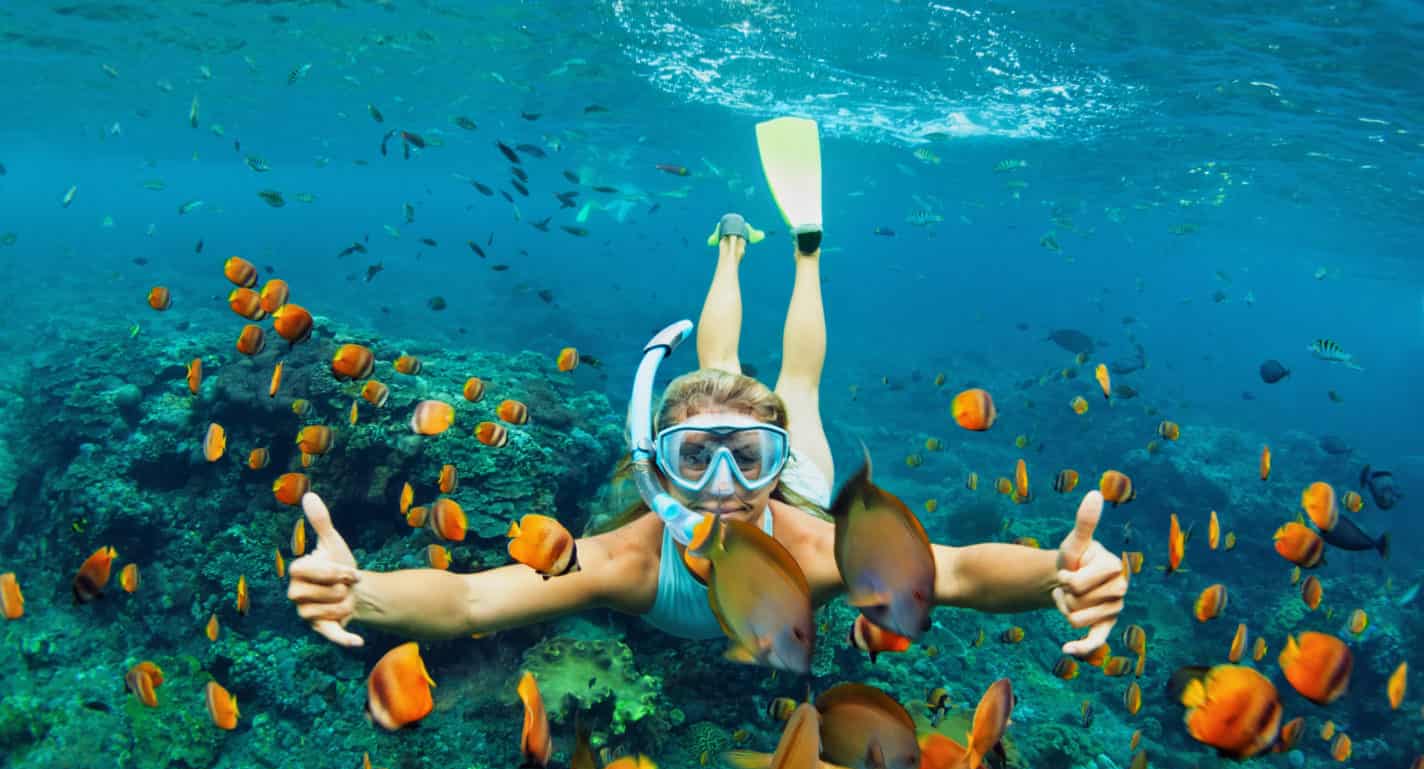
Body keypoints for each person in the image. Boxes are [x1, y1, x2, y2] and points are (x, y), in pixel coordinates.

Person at [287, 118, 1125, 659]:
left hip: (799, 493)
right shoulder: (628, 558)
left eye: (746, 455)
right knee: (724, 368)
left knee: (794, 380)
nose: (724, 484)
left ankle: (804, 251)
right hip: (741, 483)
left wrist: (1060, 570)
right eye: (697, 457)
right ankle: (729, 254)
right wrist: (364, 592)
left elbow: (961, 574)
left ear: (773, 460)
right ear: (660, 468)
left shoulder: (813, 544)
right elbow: (472, 600)